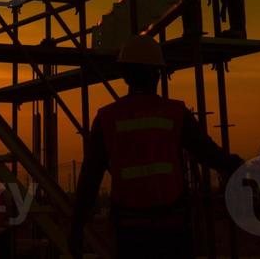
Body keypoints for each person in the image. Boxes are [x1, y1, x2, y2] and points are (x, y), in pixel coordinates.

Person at [69, 36, 244, 258]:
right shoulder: (176, 113)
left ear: (124, 75)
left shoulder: (107, 118)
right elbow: (208, 153)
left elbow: (90, 178)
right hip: (172, 229)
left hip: (130, 231)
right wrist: (235, 164)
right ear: (157, 74)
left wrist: (76, 226)